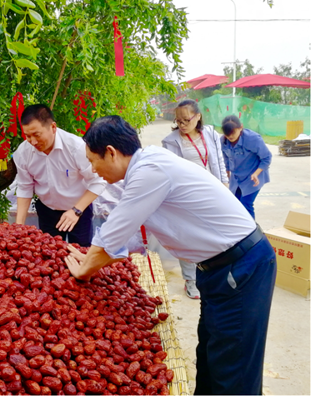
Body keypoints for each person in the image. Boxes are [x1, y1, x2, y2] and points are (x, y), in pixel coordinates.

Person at [65, 115, 277, 395]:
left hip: (240, 267)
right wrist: (94, 258)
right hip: (218, 270)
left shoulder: (150, 170)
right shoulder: (145, 167)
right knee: (213, 356)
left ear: (111, 153)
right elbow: (126, 240)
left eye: (93, 161)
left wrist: (85, 269)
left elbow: (113, 232)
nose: (93, 169)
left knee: (234, 369)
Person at [161, 99, 229, 300]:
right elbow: (170, 172)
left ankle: (214, 276)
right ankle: (190, 281)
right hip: (186, 197)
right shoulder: (170, 141)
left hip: (212, 193)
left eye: (186, 120)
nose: (182, 125)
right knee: (188, 238)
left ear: (198, 116)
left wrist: (224, 184)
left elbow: (218, 159)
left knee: (214, 236)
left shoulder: (210, 134)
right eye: (178, 121)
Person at [13, 104, 106, 246]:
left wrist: (76, 211)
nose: (33, 141)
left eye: (37, 135)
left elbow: (98, 181)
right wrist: (18, 227)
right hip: (47, 211)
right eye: (27, 136)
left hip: (78, 209)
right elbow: (25, 187)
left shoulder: (77, 147)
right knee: (50, 257)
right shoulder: (23, 153)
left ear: (53, 127)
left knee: (80, 253)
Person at [221, 115, 272, 219]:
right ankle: (240, 230)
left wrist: (256, 173)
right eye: (227, 134)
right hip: (236, 178)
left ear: (241, 127)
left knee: (246, 204)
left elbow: (267, 157)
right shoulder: (223, 141)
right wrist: (226, 178)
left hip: (253, 177)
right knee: (236, 205)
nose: (230, 137)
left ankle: (252, 233)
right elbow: (226, 160)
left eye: (233, 133)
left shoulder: (253, 139)